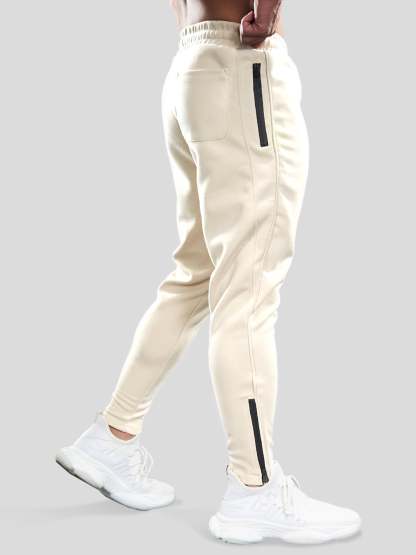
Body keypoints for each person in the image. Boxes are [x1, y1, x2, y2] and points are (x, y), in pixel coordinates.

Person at [56, 0, 361, 544]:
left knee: (195, 273)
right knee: (249, 288)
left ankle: (112, 434)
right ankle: (253, 487)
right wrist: (265, 16)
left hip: (191, 64)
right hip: (243, 64)